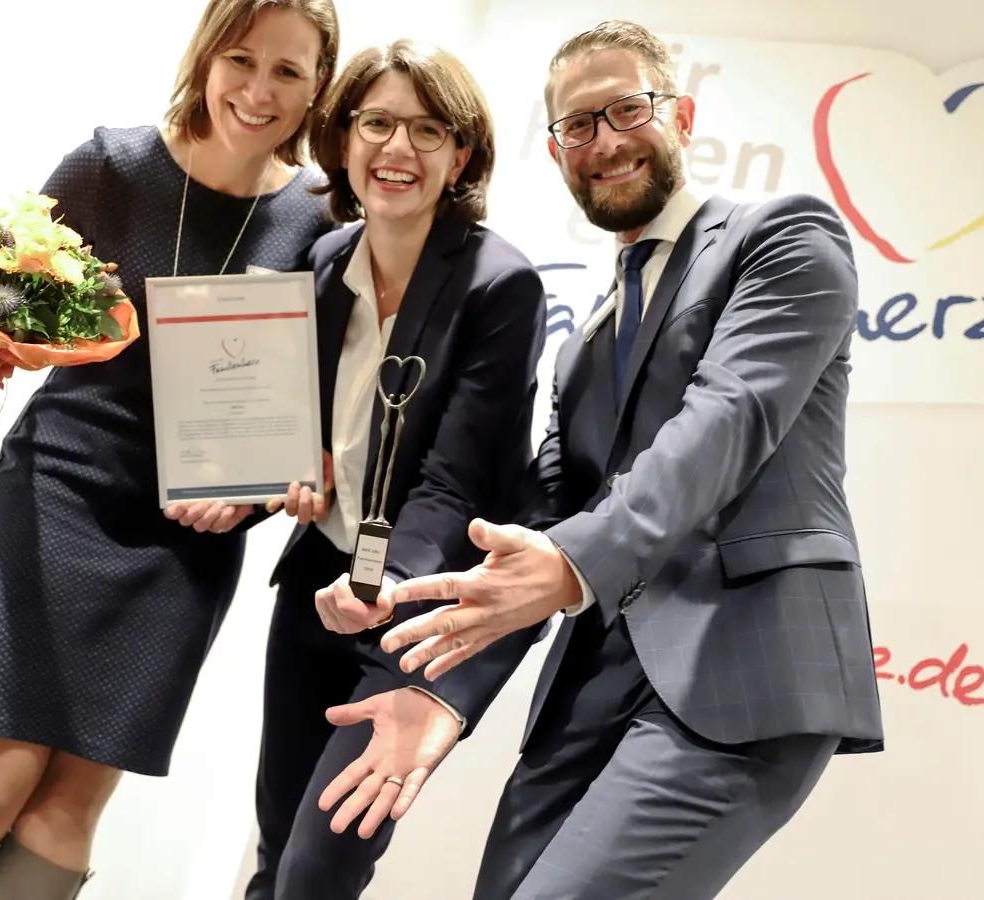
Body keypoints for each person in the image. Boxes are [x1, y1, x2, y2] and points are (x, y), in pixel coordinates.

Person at [324, 20, 885, 900]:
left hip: (739, 668)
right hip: (596, 680)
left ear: (684, 116)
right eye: (577, 127)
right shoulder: (584, 344)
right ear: (555, 154)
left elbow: (725, 421)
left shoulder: (781, 238)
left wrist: (573, 559)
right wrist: (434, 659)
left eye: (628, 110)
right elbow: (538, 522)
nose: (605, 142)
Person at [0, 2, 340, 897]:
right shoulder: (113, 163)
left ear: (319, 85)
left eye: (288, 72)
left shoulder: (324, 223)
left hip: (184, 541)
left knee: (67, 809)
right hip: (57, 488)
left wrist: (260, 492)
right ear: (206, 56)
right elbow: (7, 315)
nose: (257, 91)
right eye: (240, 59)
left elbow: (309, 409)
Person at [164, 40, 547, 900]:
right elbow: (300, 438)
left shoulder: (501, 284)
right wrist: (250, 491)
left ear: (463, 156)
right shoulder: (325, 260)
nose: (397, 149)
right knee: (274, 847)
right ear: (342, 140)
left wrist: (389, 582)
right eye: (376, 122)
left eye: (427, 128)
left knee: (320, 867)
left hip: (418, 607)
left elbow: (455, 477)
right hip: (315, 588)